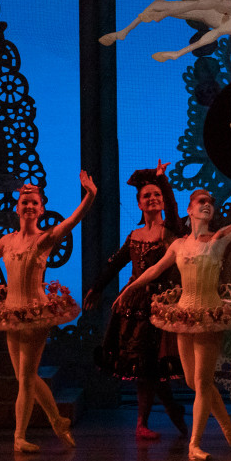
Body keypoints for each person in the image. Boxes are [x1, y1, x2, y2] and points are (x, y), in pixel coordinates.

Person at [115, 162, 231, 461]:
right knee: (192, 382)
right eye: (201, 201)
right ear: (189, 209)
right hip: (184, 315)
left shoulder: (218, 239)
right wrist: (128, 289)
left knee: (202, 382)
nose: (207, 205)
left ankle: (195, 444)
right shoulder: (177, 245)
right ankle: (229, 430)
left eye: (211, 203)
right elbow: (153, 271)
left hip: (209, 314)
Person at [0, 173, 97, 452]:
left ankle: (19, 437)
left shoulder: (45, 239)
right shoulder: (7, 241)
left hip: (35, 314)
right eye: (24, 202)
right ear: (17, 207)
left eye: (33, 203)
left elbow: (73, 221)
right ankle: (57, 420)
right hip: (10, 313)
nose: (28, 206)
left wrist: (90, 195)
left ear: (40, 209)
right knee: (25, 377)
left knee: (26, 378)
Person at [84, 162, 187, 440]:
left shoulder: (172, 230)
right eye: (147, 196)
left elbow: (175, 210)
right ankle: (144, 421)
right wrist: (96, 288)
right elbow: (115, 265)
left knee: (156, 367)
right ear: (139, 204)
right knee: (145, 368)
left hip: (164, 306)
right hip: (135, 308)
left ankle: (171, 410)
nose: (152, 199)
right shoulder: (134, 236)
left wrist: (162, 181)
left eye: (157, 195)